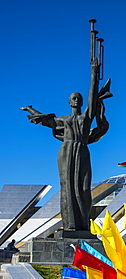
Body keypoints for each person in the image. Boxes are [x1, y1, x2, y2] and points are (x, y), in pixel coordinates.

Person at [20, 58, 112, 231]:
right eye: (73, 98)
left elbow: (93, 97)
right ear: (69, 102)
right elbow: (46, 121)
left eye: (78, 98)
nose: (76, 100)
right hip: (66, 151)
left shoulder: (85, 118)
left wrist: (94, 72)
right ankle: (69, 224)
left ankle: (83, 225)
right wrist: (31, 110)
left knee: (84, 187)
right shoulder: (64, 120)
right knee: (67, 186)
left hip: (82, 150)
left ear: (82, 102)